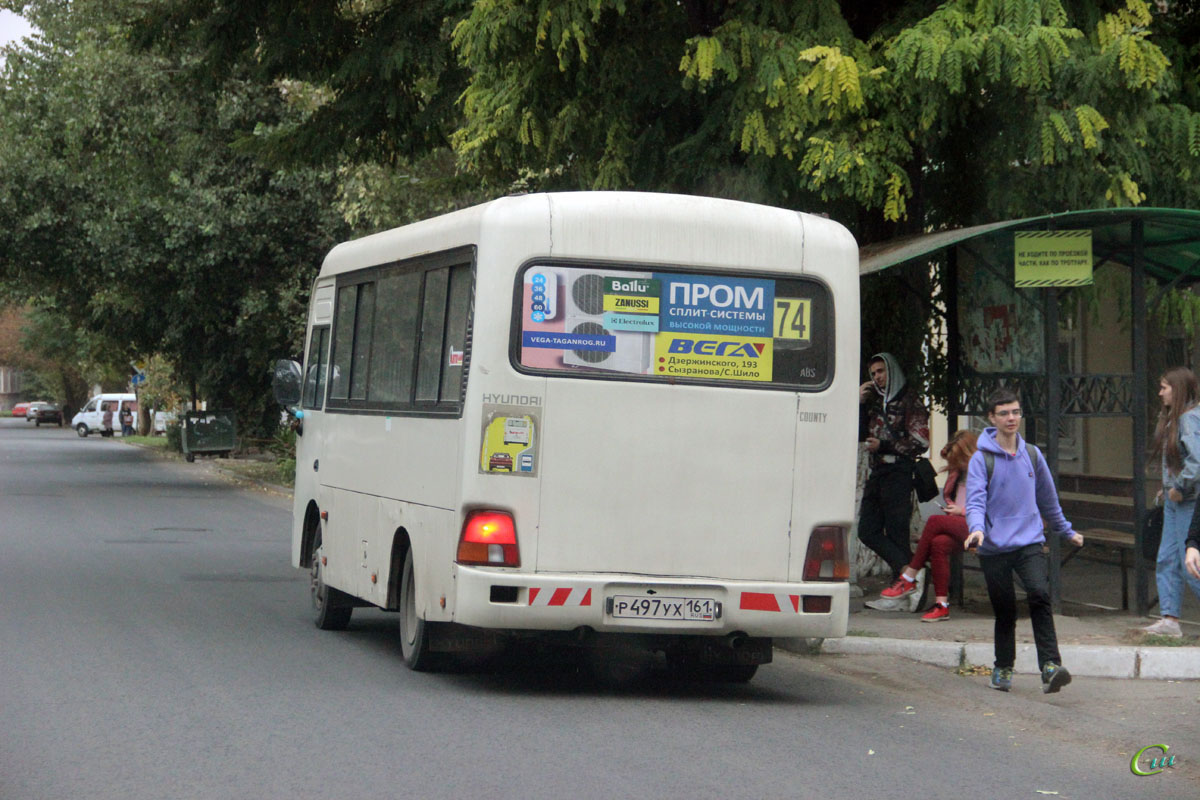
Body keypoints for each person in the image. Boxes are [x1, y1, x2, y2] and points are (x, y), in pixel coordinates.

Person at [965, 387, 1083, 694]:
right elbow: (975, 501)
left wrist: (1066, 530)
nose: (1011, 418)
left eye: (1015, 412)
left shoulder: (1032, 454)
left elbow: (1048, 498)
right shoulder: (981, 460)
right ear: (992, 418)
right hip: (993, 546)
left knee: (1039, 594)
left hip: (1029, 541)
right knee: (1005, 609)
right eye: (1004, 413)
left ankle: (1050, 667)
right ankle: (1003, 666)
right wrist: (977, 529)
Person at [868, 429, 979, 618]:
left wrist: (961, 511)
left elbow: (995, 507)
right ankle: (941, 604)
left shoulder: (988, 471)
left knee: (934, 521)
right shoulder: (959, 473)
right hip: (961, 525)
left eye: (960, 460)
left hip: (982, 528)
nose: (957, 465)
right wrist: (955, 513)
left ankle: (909, 576)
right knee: (938, 544)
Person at [857, 352, 931, 597]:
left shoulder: (910, 400)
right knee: (867, 529)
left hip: (899, 472)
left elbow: (921, 441)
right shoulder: (875, 402)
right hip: (877, 472)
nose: (878, 377)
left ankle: (903, 585)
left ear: (893, 370)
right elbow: (860, 435)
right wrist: (858, 403)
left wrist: (885, 446)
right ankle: (910, 570)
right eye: (874, 373)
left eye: (881, 371)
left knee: (897, 530)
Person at [1141, 367, 1200, 637]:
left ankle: (1170, 619)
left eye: (1165, 387)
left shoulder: (1188, 420)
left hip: (1188, 501)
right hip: (1176, 501)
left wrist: (1177, 487)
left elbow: (1197, 463)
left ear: (1178, 390)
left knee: (1190, 563)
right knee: (1167, 559)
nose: (1160, 392)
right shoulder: (1176, 419)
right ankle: (1169, 619)